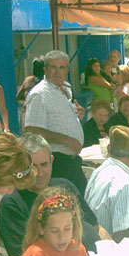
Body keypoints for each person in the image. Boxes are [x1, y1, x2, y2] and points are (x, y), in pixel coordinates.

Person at [0, 133, 108, 256]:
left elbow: (97, 227)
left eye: (44, 165)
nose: (39, 173)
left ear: (51, 161)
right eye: (33, 167)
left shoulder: (66, 187)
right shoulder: (12, 203)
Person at [24, 50, 87, 195]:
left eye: (62, 68)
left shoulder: (66, 88)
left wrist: (77, 115)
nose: (57, 72)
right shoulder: (39, 94)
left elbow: (57, 119)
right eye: (53, 67)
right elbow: (31, 131)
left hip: (72, 161)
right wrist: (66, 140)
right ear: (45, 69)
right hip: (57, 162)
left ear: (67, 70)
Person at [14, 187, 89, 256]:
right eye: (54, 231)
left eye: (67, 229)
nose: (61, 237)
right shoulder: (38, 255)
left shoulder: (77, 248)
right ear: (41, 229)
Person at [85, 126, 129, 242]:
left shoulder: (97, 171)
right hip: (109, 248)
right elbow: (123, 234)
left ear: (108, 148)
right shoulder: (125, 183)